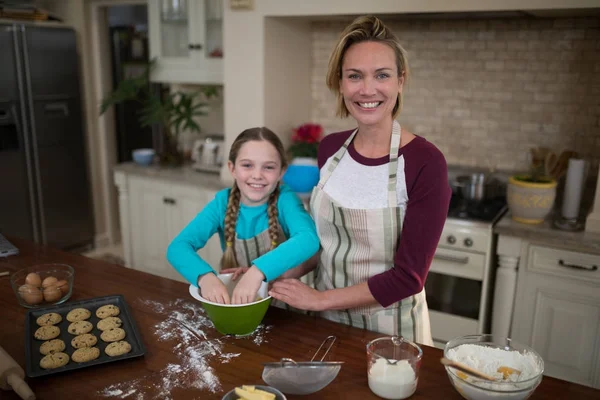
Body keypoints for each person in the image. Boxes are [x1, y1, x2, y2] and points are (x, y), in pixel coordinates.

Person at [269, 16, 451, 345]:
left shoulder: (426, 163)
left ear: (400, 81)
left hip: (391, 334)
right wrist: (275, 273)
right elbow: (321, 243)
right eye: (355, 76)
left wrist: (319, 299)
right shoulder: (329, 149)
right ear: (341, 83)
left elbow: (408, 278)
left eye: (382, 75)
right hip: (325, 325)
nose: (367, 89)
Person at [167, 127, 320, 305]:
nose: (257, 175)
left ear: (282, 171)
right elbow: (177, 247)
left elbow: (308, 239)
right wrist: (205, 278)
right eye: (247, 165)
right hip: (235, 305)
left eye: (268, 167)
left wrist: (257, 273)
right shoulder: (221, 203)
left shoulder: (285, 200)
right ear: (232, 168)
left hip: (283, 308)